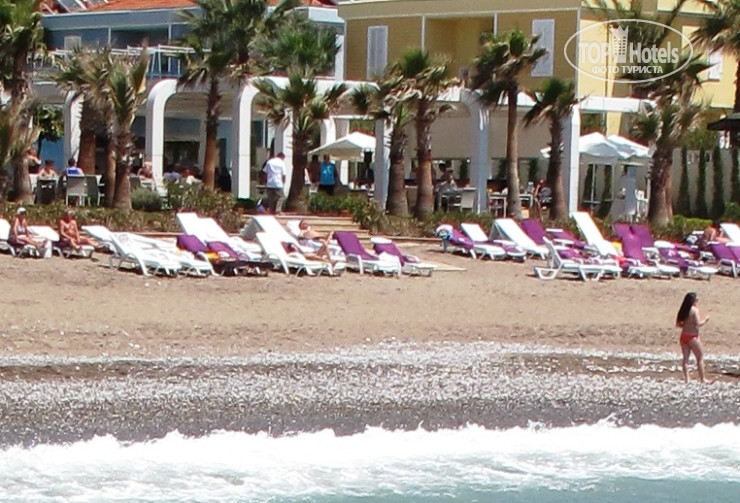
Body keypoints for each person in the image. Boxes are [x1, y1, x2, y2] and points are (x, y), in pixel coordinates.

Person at [675, 292, 710, 383]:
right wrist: (705, 320)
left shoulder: (683, 310)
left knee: (685, 359)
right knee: (700, 357)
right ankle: (702, 379)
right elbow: (698, 324)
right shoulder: (694, 310)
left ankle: (687, 378)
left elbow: (678, 324)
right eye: (696, 300)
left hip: (684, 336)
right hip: (692, 336)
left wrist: (686, 325)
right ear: (693, 301)